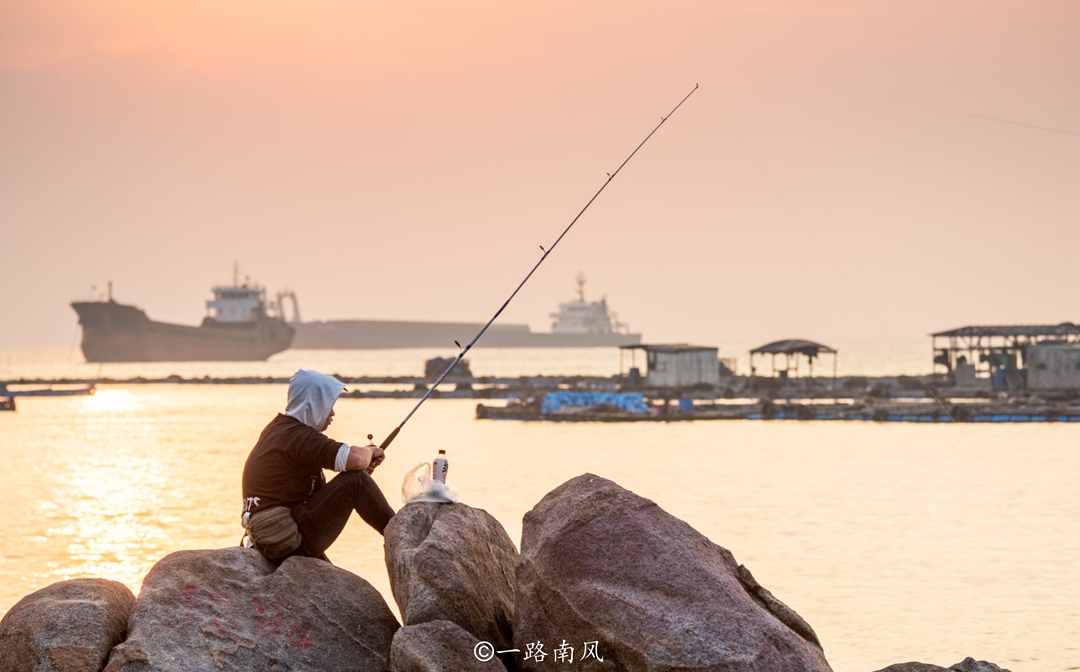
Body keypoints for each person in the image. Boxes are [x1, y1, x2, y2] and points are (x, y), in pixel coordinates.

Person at [241, 369, 394, 562]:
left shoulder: (280, 431)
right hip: (288, 537)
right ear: (314, 404)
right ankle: (402, 535)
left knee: (355, 478)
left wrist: (359, 469)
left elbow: (315, 496)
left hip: (276, 533)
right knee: (356, 481)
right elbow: (356, 459)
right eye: (329, 405)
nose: (332, 413)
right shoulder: (298, 436)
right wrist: (371, 451)